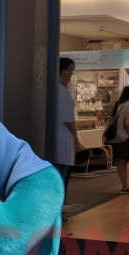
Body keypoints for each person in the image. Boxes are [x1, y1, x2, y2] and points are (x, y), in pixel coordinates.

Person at [55, 58, 85, 211]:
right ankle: (59, 207)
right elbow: (68, 120)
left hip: (57, 141)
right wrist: (77, 140)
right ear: (63, 70)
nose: (72, 72)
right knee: (61, 175)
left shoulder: (54, 90)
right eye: (70, 68)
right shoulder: (62, 92)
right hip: (63, 142)